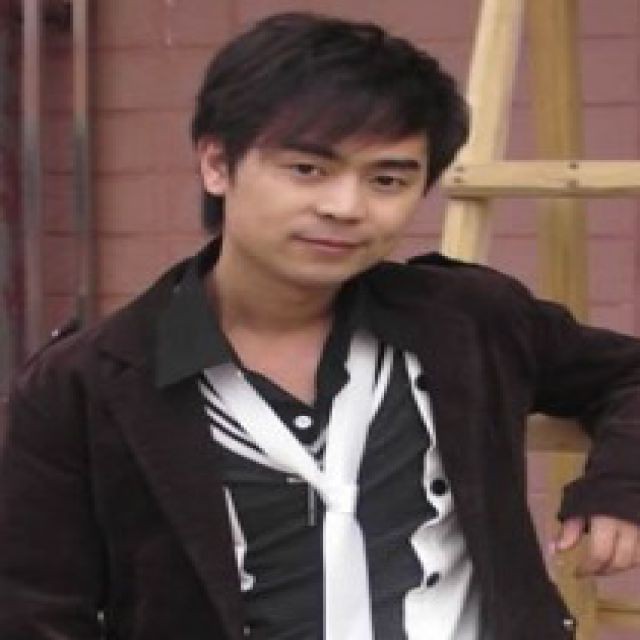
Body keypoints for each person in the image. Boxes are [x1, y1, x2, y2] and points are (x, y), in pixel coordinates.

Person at [1, 12, 639, 640]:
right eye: (308, 170)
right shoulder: (86, 384)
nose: (345, 207)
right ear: (217, 163)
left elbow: (628, 375)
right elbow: (36, 612)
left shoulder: (466, 320)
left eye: (387, 179)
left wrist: (618, 484)